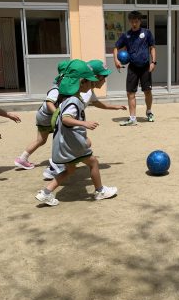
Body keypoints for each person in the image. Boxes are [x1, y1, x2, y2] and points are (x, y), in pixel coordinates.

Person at [35, 59, 117, 206]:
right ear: (81, 82)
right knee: (93, 163)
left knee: (70, 170)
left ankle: (46, 193)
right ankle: (100, 191)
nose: (92, 84)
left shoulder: (70, 98)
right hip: (73, 142)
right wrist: (84, 123)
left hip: (65, 142)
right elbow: (66, 119)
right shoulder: (73, 101)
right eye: (89, 82)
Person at [42, 59, 127, 180]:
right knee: (84, 150)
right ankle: (55, 166)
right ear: (95, 77)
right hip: (67, 124)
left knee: (85, 143)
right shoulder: (81, 89)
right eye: (104, 77)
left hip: (72, 125)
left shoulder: (88, 90)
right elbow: (59, 103)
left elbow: (97, 103)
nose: (104, 80)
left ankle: (59, 166)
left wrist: (114, 107)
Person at [14, 60, 69, 170]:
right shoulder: (56, 89)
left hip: (44, 116)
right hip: (46, 117)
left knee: (41, 140)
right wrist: (58, 115)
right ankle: (58, 162)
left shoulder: (63, 87)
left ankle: (22, 158)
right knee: (60, 137)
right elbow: (49, 102)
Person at [113, 10, 157, 126]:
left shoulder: (147, 33)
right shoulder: (126, 35)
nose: (134, 24)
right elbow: (116, 47)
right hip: (132, 67)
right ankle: (132, 118)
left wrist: (153, 62)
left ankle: (149, 111)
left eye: (136, 21)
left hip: (145, 67)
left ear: (140, 21)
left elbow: (152, 47)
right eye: (132, 21)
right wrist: (116, 60)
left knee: (147, 91)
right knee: (130, 93)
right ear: (129, 21)